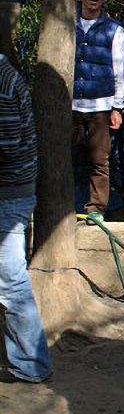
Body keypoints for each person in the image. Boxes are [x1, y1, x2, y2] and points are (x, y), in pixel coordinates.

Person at [0, 53, 53, 384]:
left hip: (9, 194)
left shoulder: (2, 85)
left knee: (11, 282)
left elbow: (6, 144)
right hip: (12, 192)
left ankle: (32, 364)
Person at [73, 0, 124, 225]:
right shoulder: (66, 25)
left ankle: (96, 209)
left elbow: (119, 70)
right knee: (62, 158)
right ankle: (60, 207)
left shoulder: (114, 30)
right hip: (70, 105)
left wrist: (117, 107)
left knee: (99, 161)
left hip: (101, 106)